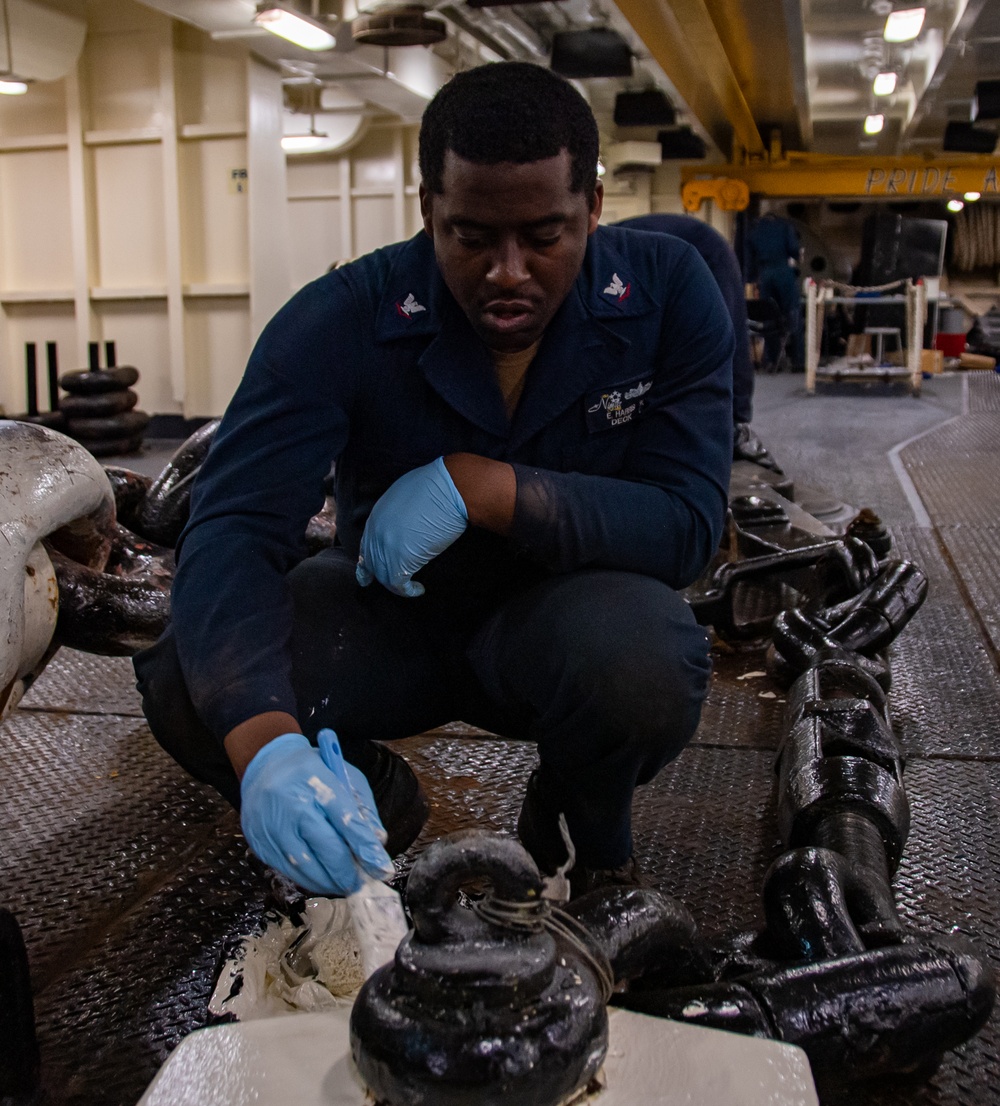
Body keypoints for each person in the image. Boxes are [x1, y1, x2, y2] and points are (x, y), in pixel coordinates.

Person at [133, 61, 734, 901]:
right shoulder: (339, 319)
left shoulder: (669, 295)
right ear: (428, 209)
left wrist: (483, 487)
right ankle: (362, 801)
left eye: (546, 235)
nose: (509, 272)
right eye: (473, 236)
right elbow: (234, 528)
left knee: (643, 663)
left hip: (560, 621)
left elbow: (685, 526)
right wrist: (267, 746)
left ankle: (583, 826)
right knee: (187, 679)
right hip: (389, 617)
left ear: (594, 207)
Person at [616, 213, 781, 472]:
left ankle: (736, 428)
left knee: (722, 337)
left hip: (706, 251)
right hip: (678, 248)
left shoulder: (606, 258)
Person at [747, 211, 804, 372]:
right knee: (793, 315)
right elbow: (793, 249)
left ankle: (772, 360)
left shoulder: (754, 230)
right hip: (784, 273)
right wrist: (799, 254)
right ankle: (798, 361)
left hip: (765, 276)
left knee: (769, 318)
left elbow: (749, 263)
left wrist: (752, 278)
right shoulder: (785, 226)